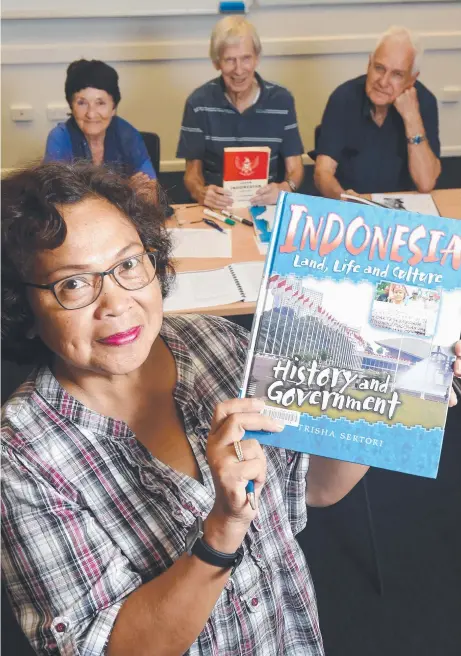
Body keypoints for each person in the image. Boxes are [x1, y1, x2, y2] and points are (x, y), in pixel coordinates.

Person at [2, 163, 460, 656]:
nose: (115, 303)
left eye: (129, 264)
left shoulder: (218, 343)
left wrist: (403, 390)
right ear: (22, 309)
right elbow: (103, 648)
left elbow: (316, 488)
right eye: (73, 284)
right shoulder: (21, 457)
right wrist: (221, 530)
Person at [177, 16, 304, 209]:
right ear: (216, 63)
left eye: (246, 58)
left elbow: (295, 168)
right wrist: (201, 193)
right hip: (217, 209)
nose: (239, 70)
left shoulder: (282, 100)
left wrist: (285, 188)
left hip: (267, 206)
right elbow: (192, 173)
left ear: (257, 58)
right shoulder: (198, 103)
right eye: (230, 60)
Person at [312, 26, 441, 199]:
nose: (383, 81)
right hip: (350, 203)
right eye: (379, 68)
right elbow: (323, 172)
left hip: (402, 208)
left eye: (397, 74)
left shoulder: (424, 102)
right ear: (369, 63)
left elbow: (425, 183)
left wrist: (412, 119)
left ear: (412, 79)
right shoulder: (344, 97)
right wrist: (345, 200)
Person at [44, 59, 157, 201]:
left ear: (113, 107)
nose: (91, 113)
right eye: (82, 103)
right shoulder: (59, 138)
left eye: (100, 103)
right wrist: (127, 190)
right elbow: (55, 199)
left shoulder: (128, 135)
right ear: (71, 106)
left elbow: (150, 194)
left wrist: (141, 191)